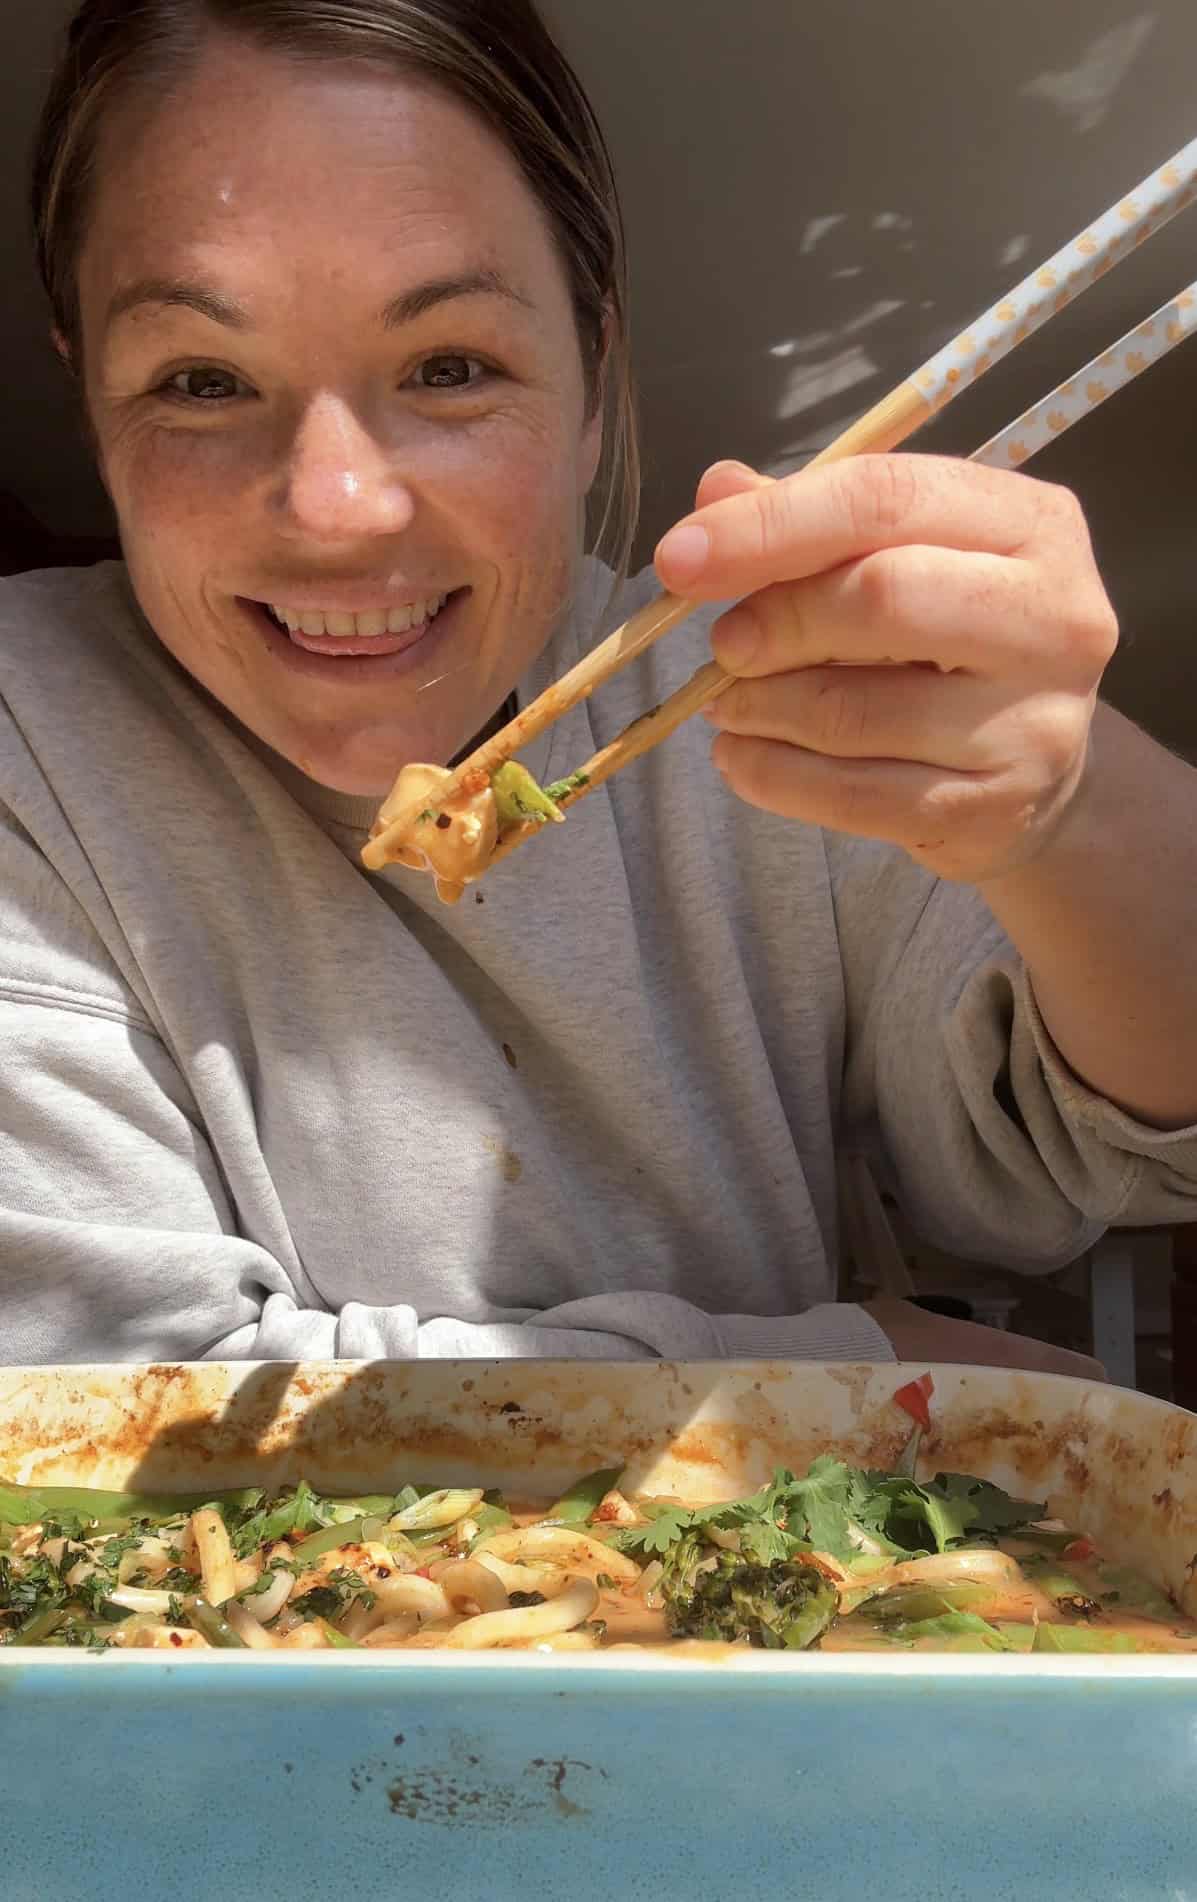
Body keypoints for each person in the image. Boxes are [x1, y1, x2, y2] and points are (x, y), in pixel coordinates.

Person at [2, 0, 1194, 1376]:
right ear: (89, 397)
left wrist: (1075, 807)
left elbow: (1101, 1149)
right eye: (202, 380)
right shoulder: (31, 738)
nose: (336, 508)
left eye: (449, 366)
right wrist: (835, 1366)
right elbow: (99, 1412)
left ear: (588, 385)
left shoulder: (754, 695)